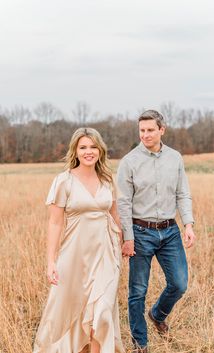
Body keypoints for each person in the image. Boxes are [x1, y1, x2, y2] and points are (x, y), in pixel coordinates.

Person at [33, 127, 125, 353]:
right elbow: (55, 223)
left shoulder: (107, 179)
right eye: (83, 147)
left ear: (100, 150)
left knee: (102, 313)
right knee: (70, 310)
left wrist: (125, 243)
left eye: (93, 146)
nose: (88, 151)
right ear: (75, 151)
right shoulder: (63, 181)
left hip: (106, 253)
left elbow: (115, 217)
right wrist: (51, 261)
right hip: (74, 256)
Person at [116, 110, 196, 353]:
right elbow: (123, 203)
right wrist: (127, 237)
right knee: (137, 291)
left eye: (150, 130)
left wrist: (188, 225)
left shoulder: (175, 158)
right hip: (140, 232)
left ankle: (158, 313)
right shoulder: (129, 162)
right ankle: (141, 344)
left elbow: (182, 193)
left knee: (180, 284)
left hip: (170, 231)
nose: (145, 135)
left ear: (162, 130)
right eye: (142, 130)